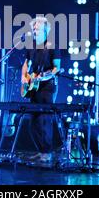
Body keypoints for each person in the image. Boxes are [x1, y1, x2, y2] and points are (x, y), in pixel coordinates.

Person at [21, 17, 61, 163]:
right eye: (34, 26)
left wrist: (44, 76)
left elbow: (57, 67)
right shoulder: (31, 45)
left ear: (45, 30)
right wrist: (24, 76)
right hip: (34, 87)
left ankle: (47, 153)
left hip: (47, 87)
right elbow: (26, 64)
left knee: (44, 121)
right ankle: (40, 150)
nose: (35, 28)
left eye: (38, 26)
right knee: (33, 122)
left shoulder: (51, 46)